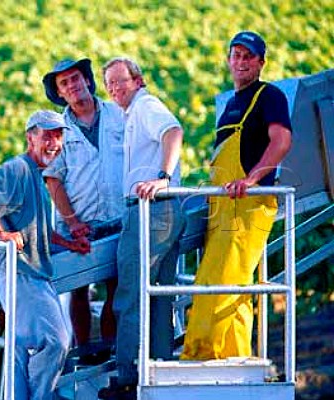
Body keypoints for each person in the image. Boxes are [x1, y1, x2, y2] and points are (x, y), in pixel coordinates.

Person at [180, 31, 292, 360]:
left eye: (248, 56)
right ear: (229, 60)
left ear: (261, 63)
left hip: (249, 205)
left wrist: (253, 178)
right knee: (237, 286)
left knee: (215, 282)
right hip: (223, 206)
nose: (241, 62)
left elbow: (282, 141)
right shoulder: (231, 103)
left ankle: (199, 355)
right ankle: (235, 355)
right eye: (236, 55)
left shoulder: (269, 96)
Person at [0, 110, 88, 400]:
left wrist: (69, 243)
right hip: (22, 274)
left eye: (58, 136)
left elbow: (35, 229)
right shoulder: (19, 169)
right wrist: (0, 233)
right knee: (57, 341)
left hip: (25, 273)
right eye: (47, 135)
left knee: (18, 353)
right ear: (30, 137)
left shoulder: (36, 174)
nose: (54, 142)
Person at [100, 57, 185, 399]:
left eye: (121, 81)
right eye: (110, 84)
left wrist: (162, 178)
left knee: (131, 290)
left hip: (151, 209)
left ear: (138, 80)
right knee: (161, 293)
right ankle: (160, 365)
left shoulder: (146, 105)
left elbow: (174, 131)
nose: (116, 89)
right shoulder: (132, 112)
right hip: (165, 210)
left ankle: (128, 375)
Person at [42, 58, 125, 353]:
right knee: (79, 288)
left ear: (87, 80)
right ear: (60, 93)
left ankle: (109, 349)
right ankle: (84, 348)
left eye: (75, 78)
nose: (72, 85)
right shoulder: (57, 131)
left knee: (116, 285)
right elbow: (53, 179)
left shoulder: (119, 114)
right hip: (77, 223)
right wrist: (73, 220)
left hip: (118, 216)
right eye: (64, 83)